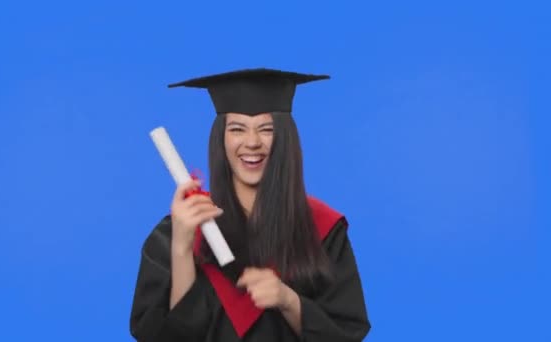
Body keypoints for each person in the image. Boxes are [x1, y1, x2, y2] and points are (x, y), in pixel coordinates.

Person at [129, 68, 371, 341]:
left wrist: (288, 300)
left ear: (284, 139)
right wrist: (183, 249)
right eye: (237, 129)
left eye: (266, 129)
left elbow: (346, 335)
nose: (252, 142)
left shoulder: (322, 229)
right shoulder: (178, 229)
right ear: (221, 139)